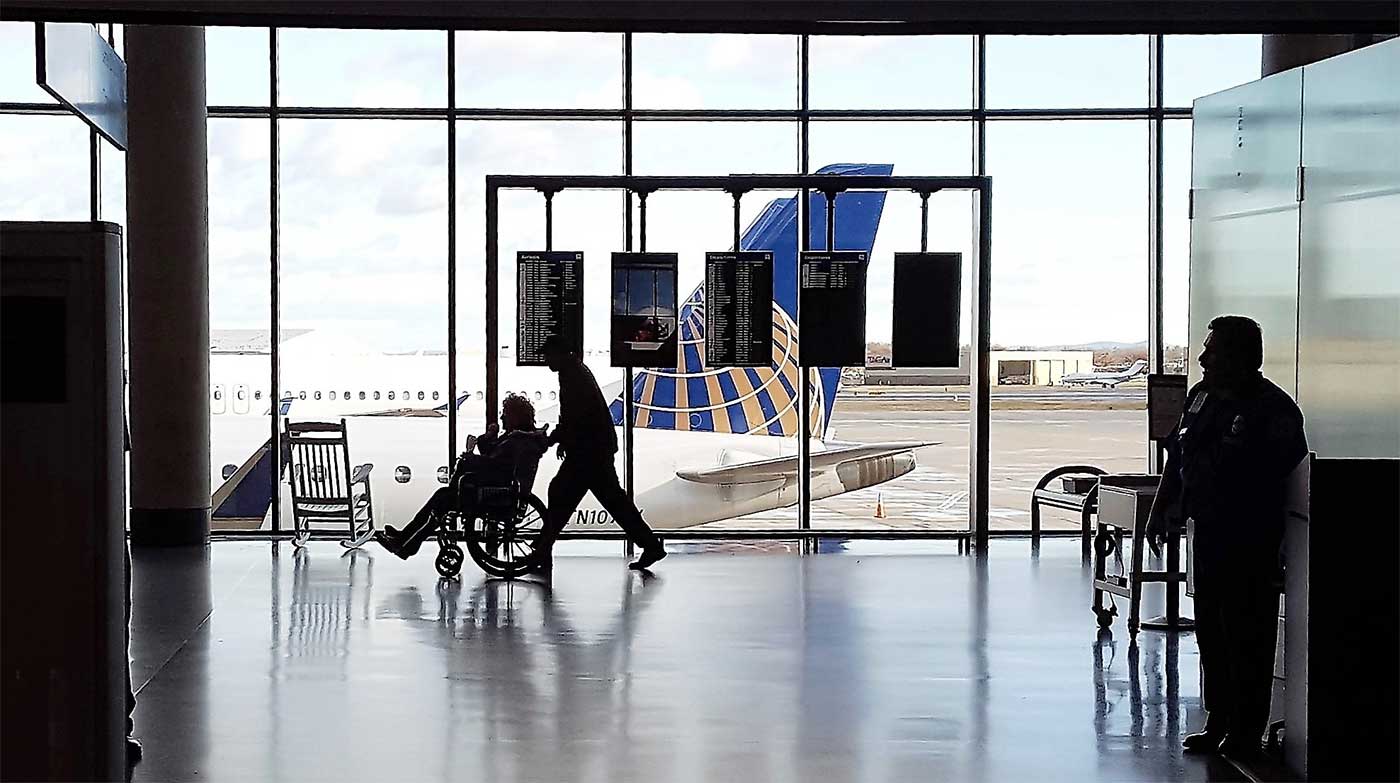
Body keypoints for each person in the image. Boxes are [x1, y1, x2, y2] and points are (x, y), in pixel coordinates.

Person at [1146, 315, 1307, 759]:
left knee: (1247, 637)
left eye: (1212, 350)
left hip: (1250, 539)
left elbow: (1283, 477)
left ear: (1242, 356)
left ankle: (1245, 731)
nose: (1202, 358)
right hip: (1210, 534)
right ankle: (1218, 720)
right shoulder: (1200, 398)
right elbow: (1178, 456)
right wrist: (1162, 507)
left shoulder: (1273, 409)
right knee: (1212, 636)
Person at [533, 335, 666, 577]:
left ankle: (542, 549)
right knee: (611, 501)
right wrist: (561, 439)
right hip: (594, 450)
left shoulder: (572, 376)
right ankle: (650, 545)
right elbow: (575, 416)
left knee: (561, 494)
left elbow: (575, 416)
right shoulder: (575, 372)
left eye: (548, 355)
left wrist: (552, 440)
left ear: (560, 354)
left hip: (588, 453)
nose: (546, 360)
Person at [376, 394, 548, 559]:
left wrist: (471, 458)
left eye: (505, 414)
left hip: (493, 493)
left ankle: (407, 542)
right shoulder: (519, 439)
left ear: (516, 417)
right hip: (496, 490)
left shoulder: (516, 440)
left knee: (443, 498)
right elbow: (494, 457)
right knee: (442, 498)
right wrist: (489, 437)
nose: (502, 418)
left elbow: (495, 465)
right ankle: (407, 540)